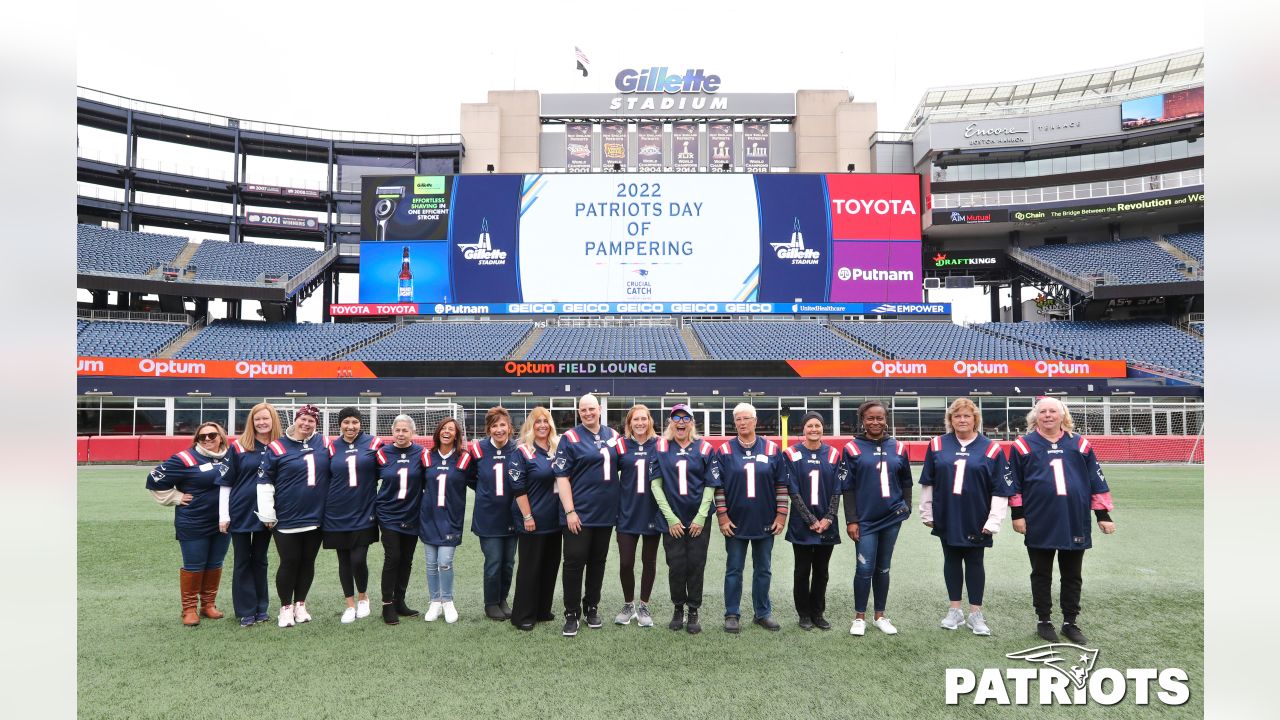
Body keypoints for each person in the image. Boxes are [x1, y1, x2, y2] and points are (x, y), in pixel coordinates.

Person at [1008, 396, 1116, 645]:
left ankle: (1070, 622)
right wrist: (1017, 514)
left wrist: (1103, 515)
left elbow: (1095, 479)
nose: (1048, 415)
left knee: (1072, 574)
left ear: (1062, 415)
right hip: (1039, 519)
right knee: (1041, 573)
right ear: (1035, 417)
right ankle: (1044, 620)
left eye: (1052, 411)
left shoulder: (1080, 444)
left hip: (1074, 518)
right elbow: (1014, 483)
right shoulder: (1023, 445)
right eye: (1043, 411)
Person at [919, 398, 1013, 636]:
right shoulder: (938, 444)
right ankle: (955, 610)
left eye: (967, 416)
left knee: (974, 562)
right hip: (947, 512)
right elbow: (928, 482)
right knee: (950, 559)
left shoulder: (990, 448)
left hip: (976, 514)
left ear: (975, 419)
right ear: (950, 420)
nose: (962, 420)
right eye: (957, 416)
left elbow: (1000, 488)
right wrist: (926, 511)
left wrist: (994, 520)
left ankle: (975, 614)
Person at [711, 403, 788, 633]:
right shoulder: (724, 451)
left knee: (763, 568)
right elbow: (718, 487)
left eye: (746, 418)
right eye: (738, 419)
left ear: (755, 421)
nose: (742, 423)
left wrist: (781, 515)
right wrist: (723, 517)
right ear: (734, 423)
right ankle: (732, 613)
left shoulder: (773, 450)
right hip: (735, 522)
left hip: (765, 520)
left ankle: (762, 612)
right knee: (734, 568)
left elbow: (781, 485)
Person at [146, 421, 233, 626]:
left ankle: (208, 605)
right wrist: (175, 496)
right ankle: (189, 609)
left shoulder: (231, 456)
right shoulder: (185, 458)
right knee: (194, 565)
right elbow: (154, 478)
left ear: (221, 436)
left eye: (212, 435)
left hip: (223, 522)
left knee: (215, 563)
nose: (208, 440)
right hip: (194, 521)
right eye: (202, 437)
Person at [841, 400, 913, 637]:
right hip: (865, 519)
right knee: (864, 568)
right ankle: (859, 617)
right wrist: (852, 520)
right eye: (870, 418)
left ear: (886, 419)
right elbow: (847, 488)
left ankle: (880, 615)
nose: (875, 422)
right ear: (862, 420)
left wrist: (906, 508)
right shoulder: (852, 448)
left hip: (892, 517)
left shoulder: (899, 447)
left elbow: (906, 482)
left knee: (883, 568)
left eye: (879, 418)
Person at [256, 404, 332, 628]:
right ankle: (285, 608)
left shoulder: (324, 443)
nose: (306, 424)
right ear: (296, 420)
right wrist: (267, 513)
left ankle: (300, 604)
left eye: (311, 421)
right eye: (303, 419)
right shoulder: (277, 447)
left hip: (316, 516)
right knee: (289, 562)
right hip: (287, 516)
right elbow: (264, 481)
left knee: (308, 562)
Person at [553, 393, 621, 637]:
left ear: (599, 410)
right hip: (578, 514)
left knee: (597, 563)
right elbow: (561, 477)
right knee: (573, 563)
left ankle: (592, 606)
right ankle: (571, 613)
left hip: (605, 514)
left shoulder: (613, 436)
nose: (588, 413)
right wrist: (570, 511)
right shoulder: (570, 438)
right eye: (583, 410)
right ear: (578, 412)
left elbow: (628, 463)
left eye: (592, 409)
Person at [649, 404, 716, 634]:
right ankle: (678, 607)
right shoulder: (660, 447)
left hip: (699, 519)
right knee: (676, 565)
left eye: (685, 418)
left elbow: (711, 485)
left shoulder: (705, 448)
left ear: (692, 422)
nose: (681, 422)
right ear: (670, 422)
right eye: (676, 418)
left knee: (696, 564)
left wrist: (700, 516)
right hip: (672, 519)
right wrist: (670, 518)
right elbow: (656, 485)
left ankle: (693, 610)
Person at [217, 403, 281, 627]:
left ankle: (261, 607)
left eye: (266, 419)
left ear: (273, 420)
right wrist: (223, 516)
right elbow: (226, 484)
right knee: (243, 560)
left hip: (267, 513)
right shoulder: (239, 447)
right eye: (257, 420)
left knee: (261, 560)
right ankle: (245, 610)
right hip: (241, 511)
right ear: (251, 423)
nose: (262, 423)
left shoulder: (280, 447)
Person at [781, 411, 842, 631]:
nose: (814, 429)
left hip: (827, 524)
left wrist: (828, 518)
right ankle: (804, 614)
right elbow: (793, 490)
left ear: (822, 428)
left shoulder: (833, 454)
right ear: (803, 429)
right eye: (809, 426)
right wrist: (809, 519)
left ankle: (818, 612)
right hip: (802, 524)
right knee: (802, 570)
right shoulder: (791, 454)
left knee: (822, 571)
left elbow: (837, 490)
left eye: (817, 425)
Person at [323, 407, 382, 624]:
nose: (350, 426)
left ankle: (363, 597)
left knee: (358, 558)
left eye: (354, 422)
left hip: (364, 509)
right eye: (346, 422)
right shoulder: (330, 447)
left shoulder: (374, 444)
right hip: (336, 512)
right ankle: (349, 605)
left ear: (360, 423)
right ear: (340, 424)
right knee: (344, 561)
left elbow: (384, 472)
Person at [507, 407, 562, 630]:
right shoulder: (522, 452)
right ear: (531, 425)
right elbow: (518, 488)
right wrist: (527, 516)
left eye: (545, 421)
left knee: (550, 567)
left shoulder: (557, 449)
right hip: (532, 521)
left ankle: (542, 610)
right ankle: (523, 615)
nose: (542, 425)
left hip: (554, 521)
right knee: (530, 569)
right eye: (537, 421)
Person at [374, 414, 428, 625]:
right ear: (392, 432)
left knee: (406, 560)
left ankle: (400, 601)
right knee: (393, 557)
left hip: (412, 514)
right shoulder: (382, 454)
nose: (401, 434)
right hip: (388, 514)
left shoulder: (421, 453)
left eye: (405, 430)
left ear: (412, 433)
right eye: (397, 430)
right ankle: (387, 604)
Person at [613, 404, 662, 628]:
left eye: (644, 419)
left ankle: (643, 605)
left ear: (649, 421)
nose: (640, 423)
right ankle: (628, 604)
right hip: (627, 511)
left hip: (652, 511)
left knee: (649, 561)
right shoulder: (621, 445)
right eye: (635, 420)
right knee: (626, 562)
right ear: (629, 423)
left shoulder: (661, 444)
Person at [467, 407, 518, 620]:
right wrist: (486, 493)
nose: (499, 429)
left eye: (502, 425)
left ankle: (503, 598)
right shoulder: (478, 449)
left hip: (512, 515)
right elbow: (469, 477)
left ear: (509, 427)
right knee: (494, 561)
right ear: (488, 429)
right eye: (494, 426)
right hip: (488, 516)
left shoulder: (517, 449)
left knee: (508, 563)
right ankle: (490, 603)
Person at [420, 417, 472, 624]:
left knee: (445, 562)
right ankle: (434, 601)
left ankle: (448, 601)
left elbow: (479, 480)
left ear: (457, 435)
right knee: (431, 564)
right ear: (438, 432)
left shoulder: (464, 458)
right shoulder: (426, 456)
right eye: (444, 428)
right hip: (429, 517)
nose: (447, 431)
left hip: (450, 518)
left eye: (451, 429)